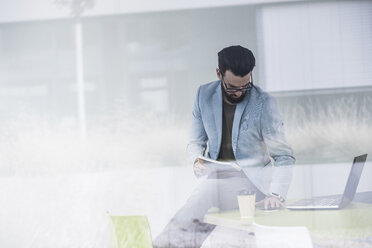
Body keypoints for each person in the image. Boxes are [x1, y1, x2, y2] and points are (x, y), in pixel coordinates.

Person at [154, 45, 295, 248]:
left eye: (244, 86)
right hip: (215, 179)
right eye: (232, 87)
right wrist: (196, 160)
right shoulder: (203, 95)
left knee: (208, 191)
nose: (239, 93)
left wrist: (276, 194)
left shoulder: (263, 103)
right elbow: (195, 142)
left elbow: (283, 155)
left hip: (251, 185)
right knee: (209, 189)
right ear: (219, 74)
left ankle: (165, 246)